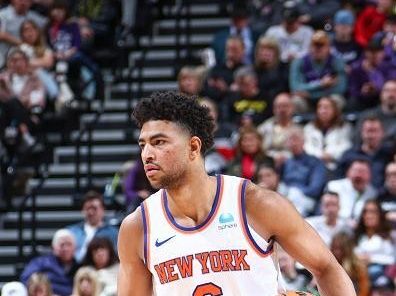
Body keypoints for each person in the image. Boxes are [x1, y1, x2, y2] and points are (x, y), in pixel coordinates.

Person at [117, 91, 356, 295]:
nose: (147, 154)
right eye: (143, 145)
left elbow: (326, 268)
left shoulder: (254, 204)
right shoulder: (138, 227)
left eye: (159, 142)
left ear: (193, 147)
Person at [20, 229, 79, 296]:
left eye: (69, 244)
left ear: (75, 248)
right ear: (54, 247)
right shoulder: (41, 263)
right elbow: (26, 279)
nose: (66, 248)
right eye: (62, 245)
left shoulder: (80, 267)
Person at [67, 190, 118, 263]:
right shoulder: (72, 231)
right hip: (74, 270)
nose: (91, 212)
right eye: (87, 208)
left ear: (103, 210)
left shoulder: (113, 233)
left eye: (94, 208)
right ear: (82, 210)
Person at [354, 200, 395, 284]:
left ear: (380, 214)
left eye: (373, 212)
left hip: (383, 276)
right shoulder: (359, 237)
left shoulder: (389, 236)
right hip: (359, 276)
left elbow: (392, 260)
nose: (369, 216)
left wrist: (371, 259)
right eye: (365, 212)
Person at [330, 232, 370, 296]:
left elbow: (364, 288)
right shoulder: (329, 265)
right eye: (334, 248)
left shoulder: (357, 266)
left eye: (340, 249)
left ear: (347, 249)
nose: (336, 252)